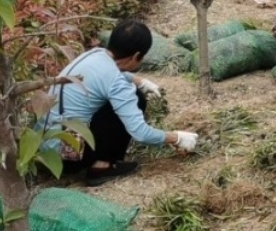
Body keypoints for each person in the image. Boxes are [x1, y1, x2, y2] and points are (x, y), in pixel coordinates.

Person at [37, 19, 198, 186]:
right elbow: (140, 133)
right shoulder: (117, 84)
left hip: (44, 148)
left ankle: (95, 160)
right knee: (136, 99)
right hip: (67, 157)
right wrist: (176, 138)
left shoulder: (93, 54)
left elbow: (108, 74)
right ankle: (102, 166)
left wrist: (140, 81)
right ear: (136, 55)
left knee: (118, 98)